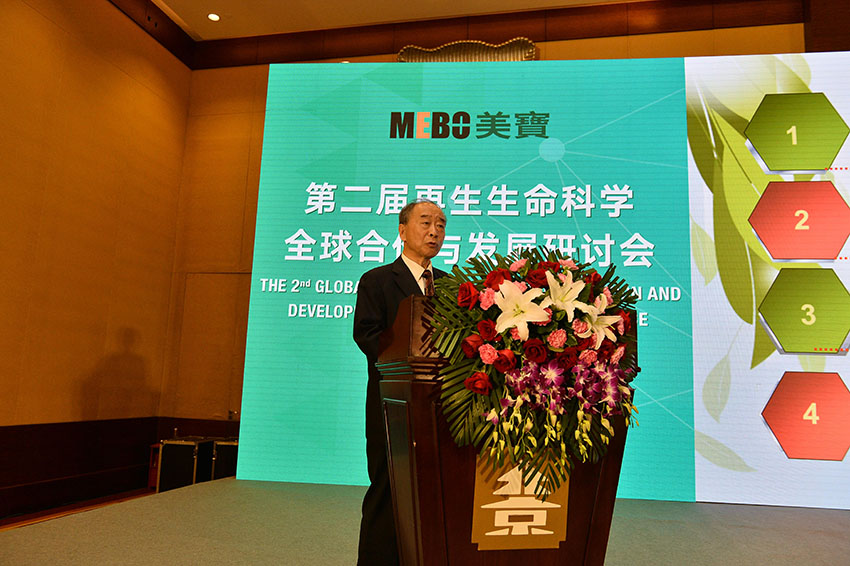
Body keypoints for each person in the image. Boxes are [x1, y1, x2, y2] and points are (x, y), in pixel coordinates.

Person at [353, 199, 447, 566]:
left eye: (440, 224)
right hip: (391, 404)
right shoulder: (377, 280)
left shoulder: (450, 285)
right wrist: (405, 362)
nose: (434, 231)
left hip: (439, 407)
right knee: (387, 489)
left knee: (434, 494)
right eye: (425, 222)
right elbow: (367, 335)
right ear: (402, 230)